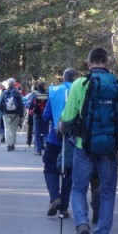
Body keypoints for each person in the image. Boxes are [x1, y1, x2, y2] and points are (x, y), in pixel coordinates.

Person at [59, 47, 118, 234]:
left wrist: (62, 129)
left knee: (78, 188)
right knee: (108, 192)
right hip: (109, 147)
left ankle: (82, 224)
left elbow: (68, 117)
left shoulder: (80, 84)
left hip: (84, 146)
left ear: (89, 62)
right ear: (107, 63)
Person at [43, 68, 78, 218]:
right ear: (76, 78)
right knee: (68, 171)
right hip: (73, 139)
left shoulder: (54, 91)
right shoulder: (80, 90)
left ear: (63, 78)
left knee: (50, 168)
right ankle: (64, 207)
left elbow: (46, 115)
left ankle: (54, 197)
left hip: (54, 137)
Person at [0, 78, 24, 151]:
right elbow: (21, 104)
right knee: (13, 129)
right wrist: (21, 115)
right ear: (14, 84)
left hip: (6, 113)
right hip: (15, 113)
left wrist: (1, 111)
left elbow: (0, 103)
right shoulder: (17, 93)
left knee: (7, 128)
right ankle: (12, 144)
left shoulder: (4, 92)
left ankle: (9, 144)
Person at [27, 81, 48, 156]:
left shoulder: (35, 95)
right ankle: (47, 149)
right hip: (45, 116)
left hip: (37, 116)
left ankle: (38, 150)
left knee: (37, 134)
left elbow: (30, 106)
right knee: (46, 133)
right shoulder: (47, 94)